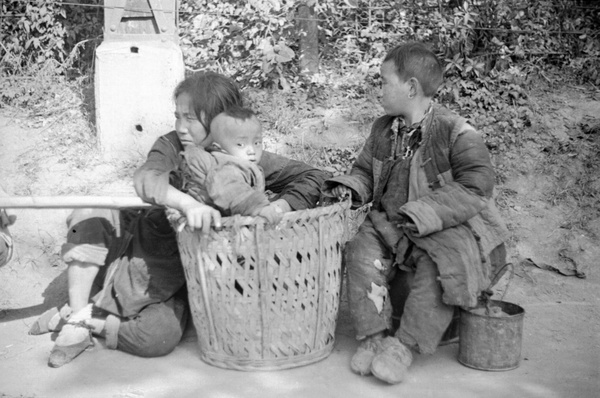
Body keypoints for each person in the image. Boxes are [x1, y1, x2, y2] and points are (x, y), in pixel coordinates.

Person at [29, 71, 330, 368]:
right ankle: (78, 316)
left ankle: (87, 319)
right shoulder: (172, 145)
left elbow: (313, 176)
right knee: (88, 216)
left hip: (171, 272)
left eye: (191, 118)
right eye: (178, 116)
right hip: (135, 243)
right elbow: (147, 178)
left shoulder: (244, 153)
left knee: (160, 335)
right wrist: (188, 204)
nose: (181, 126)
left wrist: (278, 208)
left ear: (219, 121)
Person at [321, 42, 509, 384]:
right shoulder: (382, 130)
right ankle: (374, 336)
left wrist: (425, 212)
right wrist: (350, 187)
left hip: (441, 226)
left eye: (383, 82)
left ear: (411, 87)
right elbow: (365, 170)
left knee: (443, 264)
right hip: (389, 224)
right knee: (361, 247)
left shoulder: (455, 130)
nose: (378, 90)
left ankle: (403, 347)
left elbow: (477, 185)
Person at [179, 106, 282, 224]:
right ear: (219, 147)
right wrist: (258, 207)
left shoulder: (236, 161)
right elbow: (230, 188)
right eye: (240, 144)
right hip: (214, 225)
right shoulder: (230, 165)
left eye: (257, 143)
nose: (251, 150)